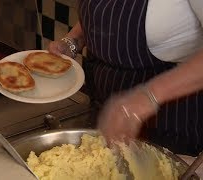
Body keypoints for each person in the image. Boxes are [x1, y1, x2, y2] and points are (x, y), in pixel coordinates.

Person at [48, 0, 203, 156]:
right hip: (104, 106)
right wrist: (73, 40)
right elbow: (104, 11)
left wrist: (149, 95)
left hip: (171, 119)